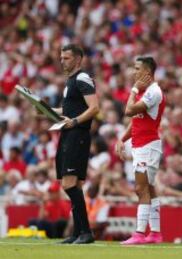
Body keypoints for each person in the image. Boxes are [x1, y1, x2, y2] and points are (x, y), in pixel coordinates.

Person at [116, 56, 165, 245]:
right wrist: (122, 139)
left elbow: (128, 110)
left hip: (148, 146)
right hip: (140, 145)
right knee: (149, 188)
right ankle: (155, 233)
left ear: (147, 73)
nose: (133, 72)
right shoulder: (146, 92)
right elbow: (136, 119)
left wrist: (134, 89)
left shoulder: (153, 92)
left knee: (140, 188)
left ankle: (139, 233)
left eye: (137, 69)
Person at [53, 44, 99, 244]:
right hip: (69, 133)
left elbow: (94, 107)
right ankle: (78, 232)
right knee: (73, 185)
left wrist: (75, 122)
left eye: (67, 58)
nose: (63, 61)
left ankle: (85, 232)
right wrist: (45, 109)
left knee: (70, 184)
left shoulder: (82, 78)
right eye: (61, 58)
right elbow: (68, 111)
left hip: (77, 134)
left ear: (78, 59)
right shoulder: (71, 81)